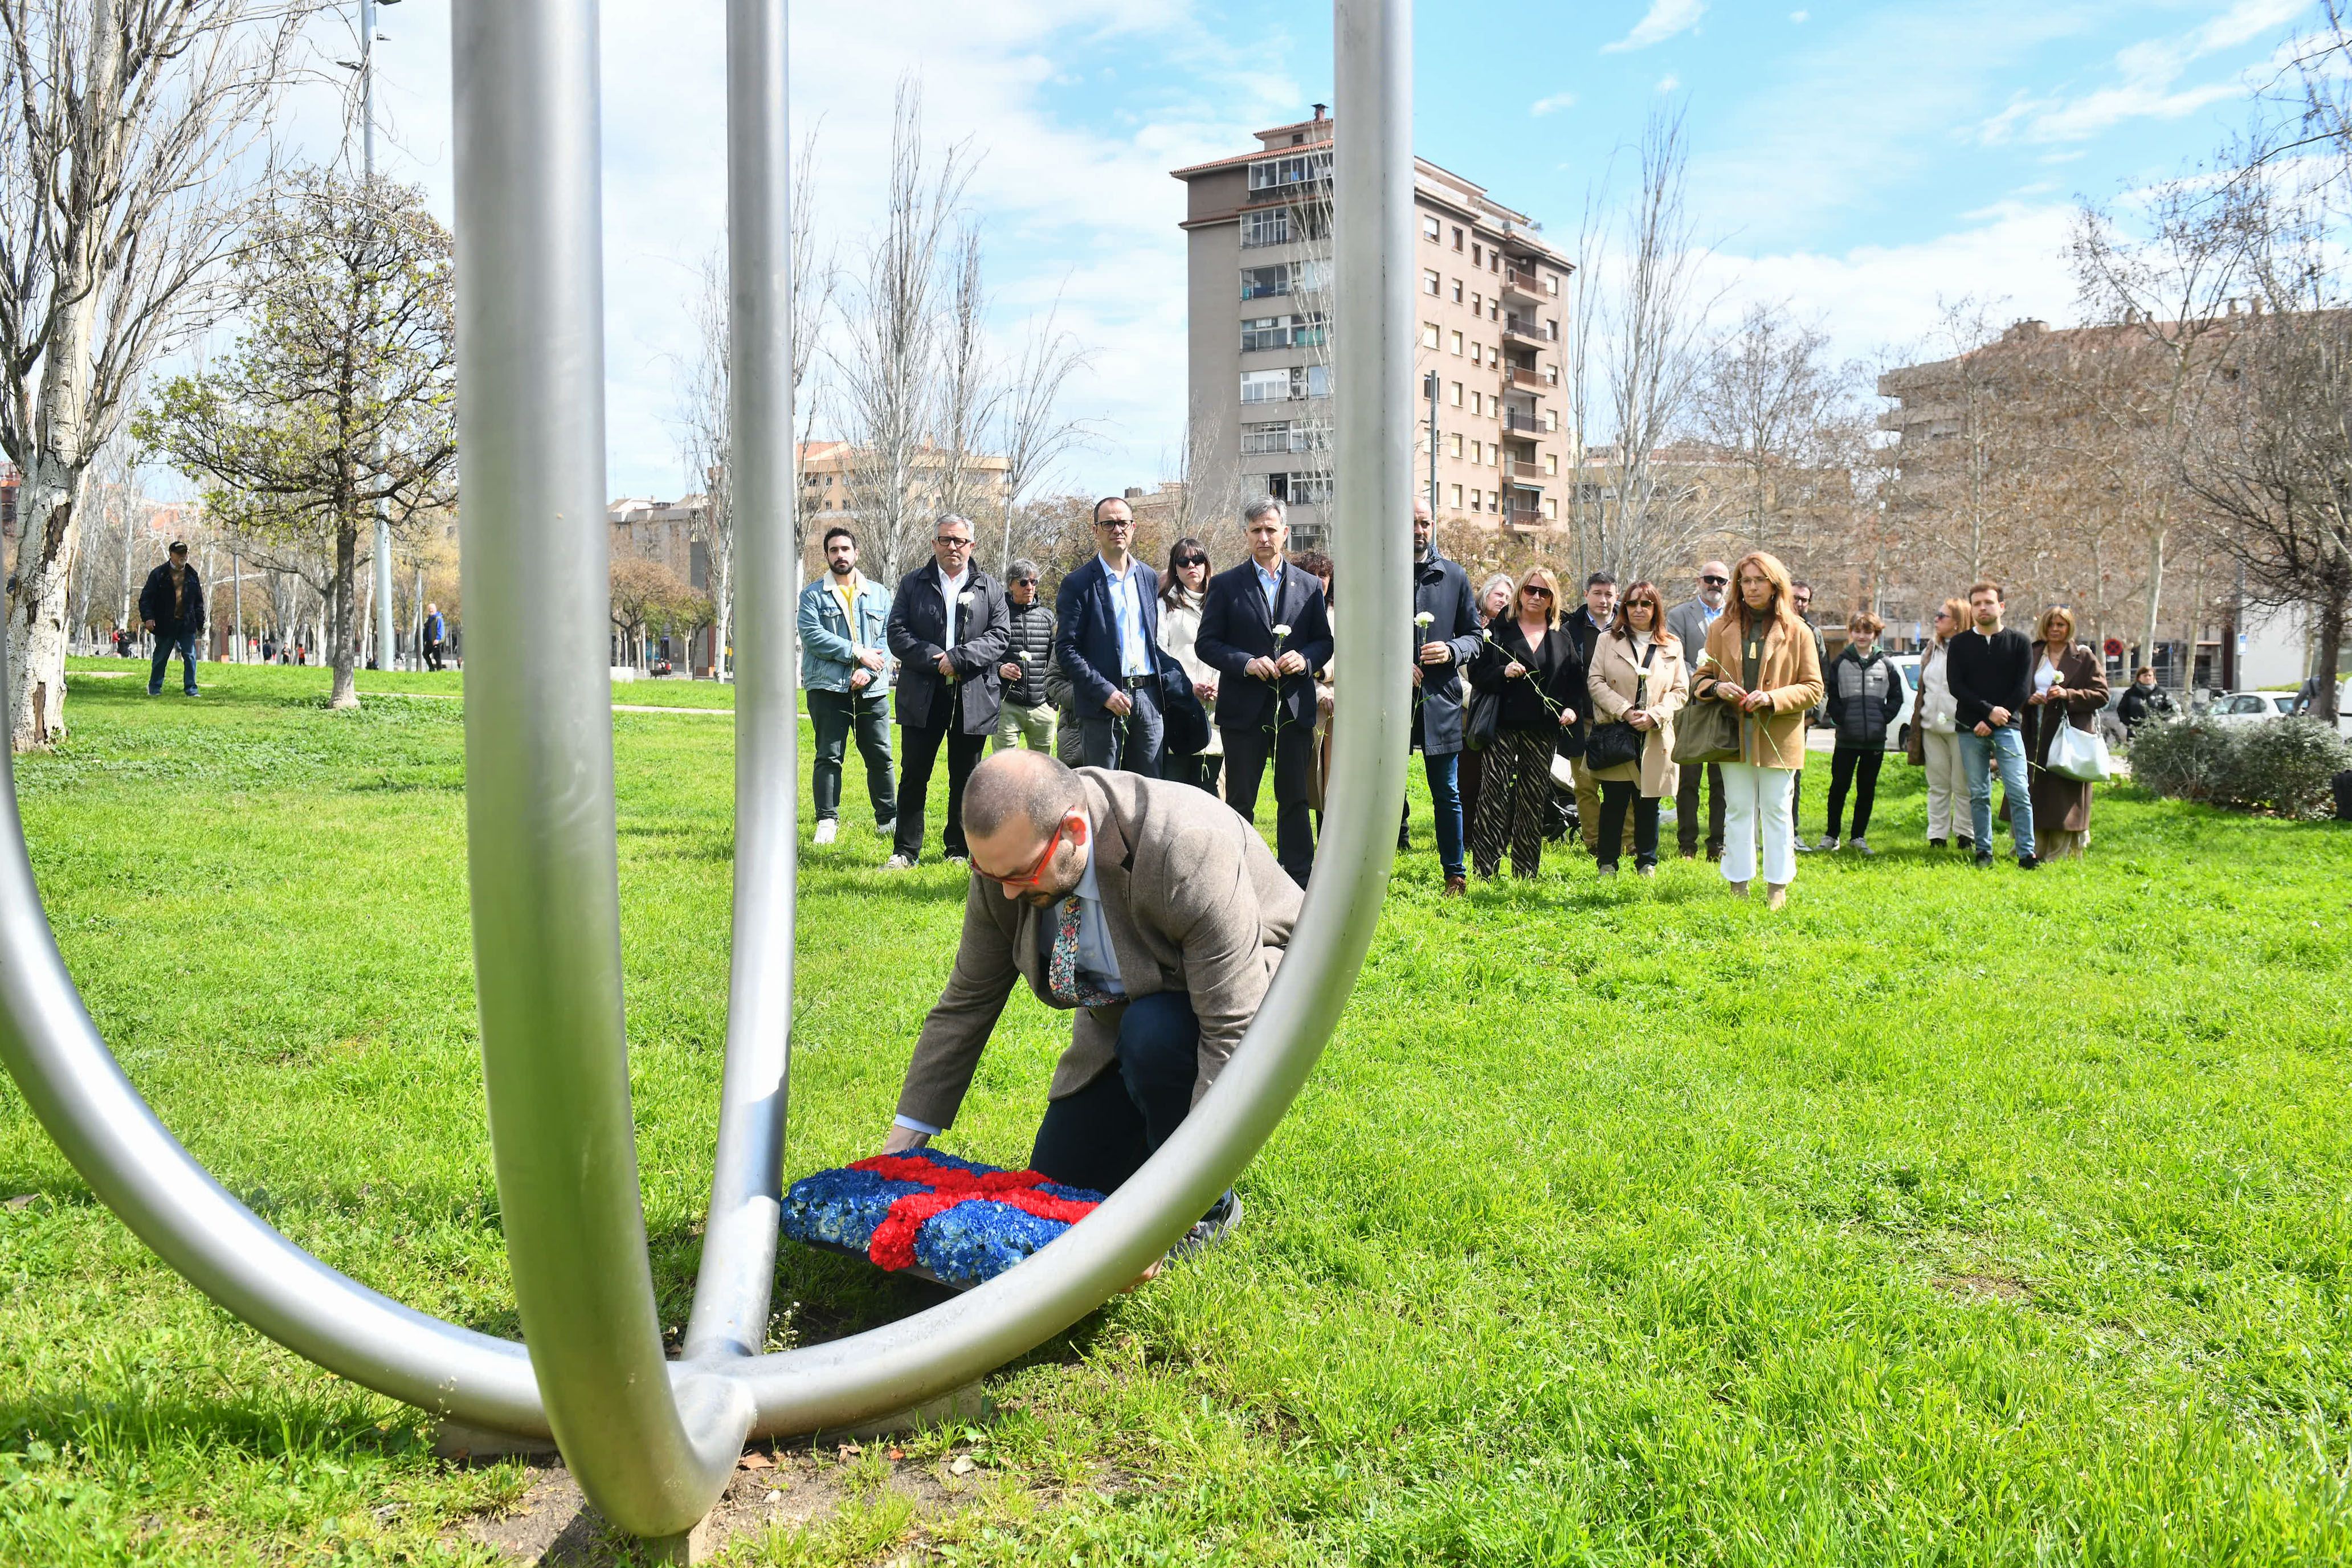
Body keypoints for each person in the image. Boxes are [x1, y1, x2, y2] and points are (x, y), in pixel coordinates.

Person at [878, 750, 1297, 1243]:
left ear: (1075, 832)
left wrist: (1180, 1202)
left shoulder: (1185, 846)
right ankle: (1151, 1136)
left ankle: (1207, 1207)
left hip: (1248, 990)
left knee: (1156, 1033)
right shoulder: (1006, 864)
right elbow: (967, 1001)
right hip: (1126, 1019)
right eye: (991, 875)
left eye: (1020, 876)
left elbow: (1233, 1025)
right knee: (1057, 1192)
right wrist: (899, 1152)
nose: (1008, 896)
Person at [1196, 498, 1333, 887]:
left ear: (1285, 533)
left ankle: (1298, 880)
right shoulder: (1225, 585)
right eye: (1256, 530)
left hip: (1292, 707)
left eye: (1271, 529)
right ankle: (1240, 875)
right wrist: (1244, 662)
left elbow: (1324, 642)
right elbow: (1207, 644)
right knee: (1241, 800)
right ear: (1246, 535)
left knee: (1294, 798)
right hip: (1244, 708)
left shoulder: (1308, 587)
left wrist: (1304, 661)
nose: (1264, 536)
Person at [1691, 552, 1823, 910]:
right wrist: (1716, 688)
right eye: (1745, 581)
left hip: (1778, 736)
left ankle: (1777, 885)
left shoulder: (1798, 631)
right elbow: (1701, 677)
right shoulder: (1721, 627)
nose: (1751, 588)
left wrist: (1773, 698)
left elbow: (1813, 687)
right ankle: (1738, 883)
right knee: (1738, 808)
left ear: (1775, 584)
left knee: (1778, 810)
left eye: (1759, 580)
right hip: (1732, 734)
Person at [885, 514, 1009, 868]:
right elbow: (897, 633)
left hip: (972, 693)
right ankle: (905, 851)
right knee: (914, 774)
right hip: (923, 691)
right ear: (934, 544)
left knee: (966, 777)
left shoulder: (990, 587)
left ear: (972, 545)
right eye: (945, 540)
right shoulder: (913, 584)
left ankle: (958, 849)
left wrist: (960, 659)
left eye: (959, 541)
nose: (952, 547)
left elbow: (1000, 637)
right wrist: (935, 658)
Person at [1468, 567, 1583, 880]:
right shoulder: (1498, 631)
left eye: (1543, 592)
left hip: (1543, 730)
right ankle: (1485, 869)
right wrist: (1502, 673)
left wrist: (1572, 709)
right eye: (1531, 590)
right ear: (1520, 592)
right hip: (1502, 726)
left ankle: (1525, 872)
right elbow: (1477, 675)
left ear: (1552, 600)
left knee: (1532, 799)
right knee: (1493, 796)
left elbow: (1575, 683)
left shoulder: (1561, 635)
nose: (1535, 596)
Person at [799, 525, 898, 846]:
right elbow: (813, 636)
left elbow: (889, 638)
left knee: (880, 755)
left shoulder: (880, 594)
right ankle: (827, 821)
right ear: (826, 555)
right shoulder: (812, 595)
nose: (840, 555)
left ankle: (888, 821)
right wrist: (857, 654)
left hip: (872, 688)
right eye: (833, 550)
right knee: (829, 755)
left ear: (856, 553)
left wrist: (868, 672)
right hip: (827, 687)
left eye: (845, 549)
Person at [1585, 579, 1688, 878]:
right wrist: (1625, 711)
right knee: (1614, 801)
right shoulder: (1608, 640)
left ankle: (1647, 863)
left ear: (1656, 608)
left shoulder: (1672, 645)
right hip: (1616, 731)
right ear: (1624, 607)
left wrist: (1655, 715)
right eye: (1632, 603)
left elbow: (1681, 690)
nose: (1638, 609)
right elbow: (1595, 682)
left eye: (1646, 603)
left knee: (1649, 803)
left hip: (1654, 734)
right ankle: (1607, 863)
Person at [1055, 496, 1164, 776]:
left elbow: (1151, 639)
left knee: (1150, 791)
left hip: (1149, 698)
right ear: (1096, 530)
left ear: (1133, 527)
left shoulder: (1148, 577)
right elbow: (1067, 649)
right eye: (1108, 524)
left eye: (1123, 523)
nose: (1117, 529)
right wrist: (1105, 692)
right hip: (1103, 700)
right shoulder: (1078, 583)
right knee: (1103, 792)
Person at [1406, 502, 1482, 896]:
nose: (1419, 530)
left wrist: (1452, 651)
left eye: (1424, 523)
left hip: (1441, 699)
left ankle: (1455, 873)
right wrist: (1397, 665)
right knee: (1383, 793)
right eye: (1411, 523)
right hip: (1393, 703)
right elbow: (1362, 635)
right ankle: (1376, 868)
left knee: (1446, 792)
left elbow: (1475, 635)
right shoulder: (1383, 575)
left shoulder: (1454, 575)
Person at [1947, 579, 2037, 870]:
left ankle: (2027, 854)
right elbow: (1956, 686)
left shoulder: (2020, 642)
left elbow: (2023, 687)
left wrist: (1999, 716)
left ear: (2001, 606)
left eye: (1988, 602)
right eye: (1977, 604)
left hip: (2008, 726)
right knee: (1979, 793)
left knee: (2019, 790)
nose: (1982, 608)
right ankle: (1983, 852)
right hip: (1970, 728)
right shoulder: (1960, 644)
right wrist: (1987, 714)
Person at [2021, 606, 2109, 860]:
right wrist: (2029, 699)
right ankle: (2031, 848)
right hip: (2035, 733)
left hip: (2069, 736)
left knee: (2063, 793)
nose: (2055, 630)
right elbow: (2015, 689)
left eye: (2061, 625)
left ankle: (2062, 851)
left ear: (2069, 627)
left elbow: (2102, 694)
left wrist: (2068, 694)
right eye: (2051, 625)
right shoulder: (2032, 653)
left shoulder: (2084, 656)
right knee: (2033, 792)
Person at [1819, 611, 1904, 855]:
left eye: (1867, 631)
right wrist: (1841, 719)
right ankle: (1831, 834)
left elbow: (1897, 698)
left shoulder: (1886, 664)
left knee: (1866, 789)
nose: (1862, 636)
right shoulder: (1840, 662)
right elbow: (1832, 696)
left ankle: (1858, 836)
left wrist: (1882, 719)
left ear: (1876, 634)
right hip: (1846, 739)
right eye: (1857, 631)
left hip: (1874, 740)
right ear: (1851, 633)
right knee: (1839, 787)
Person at [1665, 560, 1731, 862]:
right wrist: (1707, 684)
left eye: (1721, 580)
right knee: (1688, 780)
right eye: (1709, 579)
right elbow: (1677, 659)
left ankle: (1717, 843)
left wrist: (1726, 687)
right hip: (1692, 708)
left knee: (1722, 782)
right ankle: (1686, 844)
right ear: (1698, 581)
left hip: (1727, 708)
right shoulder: (1679, 615)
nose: (1715, 585)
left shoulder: (1735, 617)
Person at [1157, 537, 1223, 795]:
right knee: (1176, 795)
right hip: (1180, 709)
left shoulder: (1221, 602)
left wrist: (1221, 684)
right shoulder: (1165, 605)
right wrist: (1188, 687)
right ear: (1175, 568)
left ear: (1207, 564)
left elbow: (1230, 649)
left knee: (1210, 794)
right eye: (1183, 562)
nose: (1191, 566)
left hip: (1216, 711)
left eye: (1197, 560)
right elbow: (1160, 652)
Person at [1562, 571, 1619, 858]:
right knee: (1585, 785)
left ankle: (1627, 843)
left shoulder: (1627, 625)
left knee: (1624, 784)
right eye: (1598, 593)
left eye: (1609, 594)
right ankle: (1594, 842)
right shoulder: (1570, 628)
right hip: (1582, 718)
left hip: (1619, 719)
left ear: (1617, 596)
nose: (1603, 600)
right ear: (1586, 595)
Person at [1909, 598, 1971, 851]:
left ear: (1957, 623)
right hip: (1931, 728)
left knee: (1963, 785)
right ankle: (1937, 836)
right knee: (1938, 785)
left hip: (1961, 728)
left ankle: (1966, 835)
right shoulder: (1932, 649)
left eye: (1942, 616)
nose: (1936, 619)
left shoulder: (1970, 651)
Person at [1459, 572, 1518, 832]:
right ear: (1485, 595)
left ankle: (1496, 831)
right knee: (1468, 781)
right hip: (1468, 717)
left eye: (1509, 596)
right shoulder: (1467, 626)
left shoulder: (1514, 632)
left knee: (1497, 782)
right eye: (1499, 594)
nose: (1504, 600)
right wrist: (1481, 701)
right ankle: (1468, 834)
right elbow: (1456, 677)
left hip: (1504, 720)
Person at [1292, 552, 1338, 828]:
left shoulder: (1340, 613)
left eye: (1324, 575)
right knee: (1309, 778)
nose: (1319, 580)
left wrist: (1327, 675)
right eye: (1313, 574)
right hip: (1306, 700)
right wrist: (1319, 690)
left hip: (1338, 706)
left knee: (1332, 781)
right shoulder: (1296, 610)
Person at [994, 558, 1057, 756]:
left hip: (1042, 706)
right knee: (1004, 770)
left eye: (1034, 582)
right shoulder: (998, 615)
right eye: (1023, 582)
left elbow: (1056, 660)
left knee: (1042, 772)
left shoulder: (1048, 617)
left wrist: (1051, 702)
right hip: (1007, 705)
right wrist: (1000, 669)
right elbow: (986, 653)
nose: (1030, 587)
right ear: (1011, 584)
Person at [1786, 579, 1828, 851]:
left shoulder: (1814, 633)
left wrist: (1813, 716)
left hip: (1800, 719)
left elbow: (1822, 679)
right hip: (1767, 712)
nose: (1799, 603)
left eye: (1804, 599)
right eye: (1795, 598)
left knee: (1793, 778)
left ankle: (1793, 832)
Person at [138, 541, 205, 697]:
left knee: (190, 656)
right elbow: (146, 599)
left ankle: (191, 690)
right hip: (165, 623)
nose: (183, 556)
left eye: (185, 553)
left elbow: (199, 601)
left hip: (186, 623)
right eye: (179, 553)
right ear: (171, 554)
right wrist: (148, 618)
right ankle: (154, 687)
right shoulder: (159, 574)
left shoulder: (192, 575)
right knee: (161, 657)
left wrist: (200, 622)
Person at [2116, 667, 2174, 735]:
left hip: (2156, 733)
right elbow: (2121, 710)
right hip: (2136, 733)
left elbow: (2170, 710)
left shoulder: (2161, 692)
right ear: (2139, 678)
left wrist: (2160, 722)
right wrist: (2131, 724)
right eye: (2145, 676)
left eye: (2150, 675)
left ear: (2154, 677)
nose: (2148, 678)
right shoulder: (2130, 693)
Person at [422, 603, 447, 672]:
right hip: (430, 641)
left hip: (436, 640)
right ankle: (432, 669)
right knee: (425, 654)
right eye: (429, 609)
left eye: (432, 609)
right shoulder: (430, 619)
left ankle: (439, 670)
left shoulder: (438, 618)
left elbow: (440, 630)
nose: (431, 610)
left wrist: (438, 639)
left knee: (437, 656)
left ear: (435, 609)